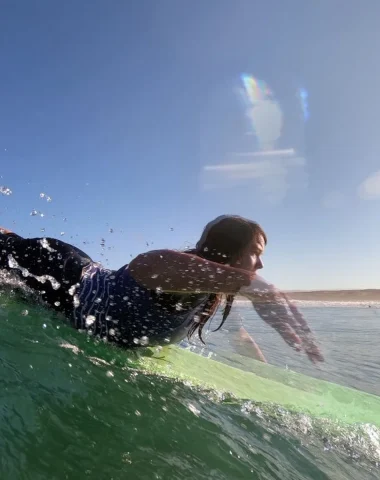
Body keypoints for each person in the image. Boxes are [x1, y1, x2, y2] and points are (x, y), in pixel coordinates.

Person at [0, 215, 323, 363]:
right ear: (230, 250)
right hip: (58, 269)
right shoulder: (169, 272)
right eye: (257, 253)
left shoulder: (213, 297)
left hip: (88, 275)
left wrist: (262, 374)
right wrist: (257, 286)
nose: (261, 265)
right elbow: (150, 265)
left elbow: (240, 336)